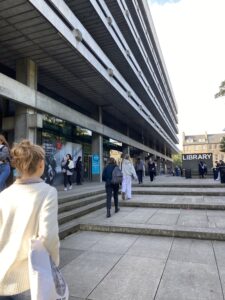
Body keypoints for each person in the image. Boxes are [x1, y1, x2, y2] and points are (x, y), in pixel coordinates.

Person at [0, 140, 59, 299]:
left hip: (2, 276)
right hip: (29, 280)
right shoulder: (48, 192)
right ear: (41, 164)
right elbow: (49, 236)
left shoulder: (4, 195)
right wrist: (53, 262)